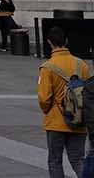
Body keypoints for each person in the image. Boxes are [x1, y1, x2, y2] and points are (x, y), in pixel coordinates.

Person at [36, 22, 87, 178]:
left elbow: (44, 98)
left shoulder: (47, 67)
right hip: (79, 119)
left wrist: (48, 111)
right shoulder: (82, 65)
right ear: (66, 42)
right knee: (78, 160)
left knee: (55, 161)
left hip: (56, 121)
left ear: (49, 42)